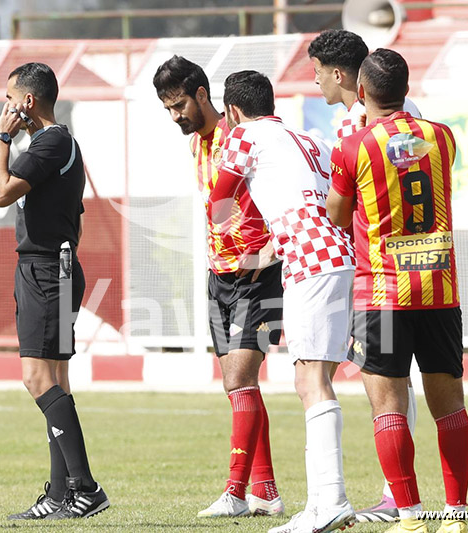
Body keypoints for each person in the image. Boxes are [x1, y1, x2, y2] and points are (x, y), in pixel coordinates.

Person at [326, 49, 468, 533]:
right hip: (438, 289)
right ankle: (456, 516)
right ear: (407, 90)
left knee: (388, 406)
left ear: (362, 91)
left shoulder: (352, 148)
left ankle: (408, 516)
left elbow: (338, 216)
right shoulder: (442, 137)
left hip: (382, 296)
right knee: (450, 406)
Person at [208, 70, 356, 533]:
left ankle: (329, 502)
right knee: (322, 377)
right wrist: (269, 249)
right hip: (341, 255)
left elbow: (218, 202)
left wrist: (231, 239)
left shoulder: (243, 135)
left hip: (310, 266)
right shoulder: (307, 137)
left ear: (232, 111)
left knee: (310, 380)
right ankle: (327, 501)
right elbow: (320, 202)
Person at [153, 56, 285, 518]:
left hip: (261, 277)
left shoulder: (245, 139)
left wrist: (272, 251)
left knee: (239, 379)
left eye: (179, 105)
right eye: (167, 109)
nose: (175, 116)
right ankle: (265, 491)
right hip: (219, 277)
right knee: (239, 387)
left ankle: (234, 491)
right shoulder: (198, 144)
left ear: (203, 96)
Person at [308, 29, 420, 523]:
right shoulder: (360, 120)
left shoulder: (378, 124)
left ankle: (399, 497)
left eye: (317, 72)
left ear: (338, 73)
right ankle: (398, 493)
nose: (314, 82)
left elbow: (349, 205)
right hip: (383, 270)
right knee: (392, 381)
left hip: (387, 272)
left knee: (390, 382)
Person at [0, 62, 109, 520]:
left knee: (36, 379)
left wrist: (2, 139)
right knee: (56, 380)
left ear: (27, 102)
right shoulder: (55, 143)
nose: (5, 106)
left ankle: (86, 487)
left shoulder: (51, 141)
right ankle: (61, 494)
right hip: (53, 268)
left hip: (46, 270)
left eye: (8, 98)